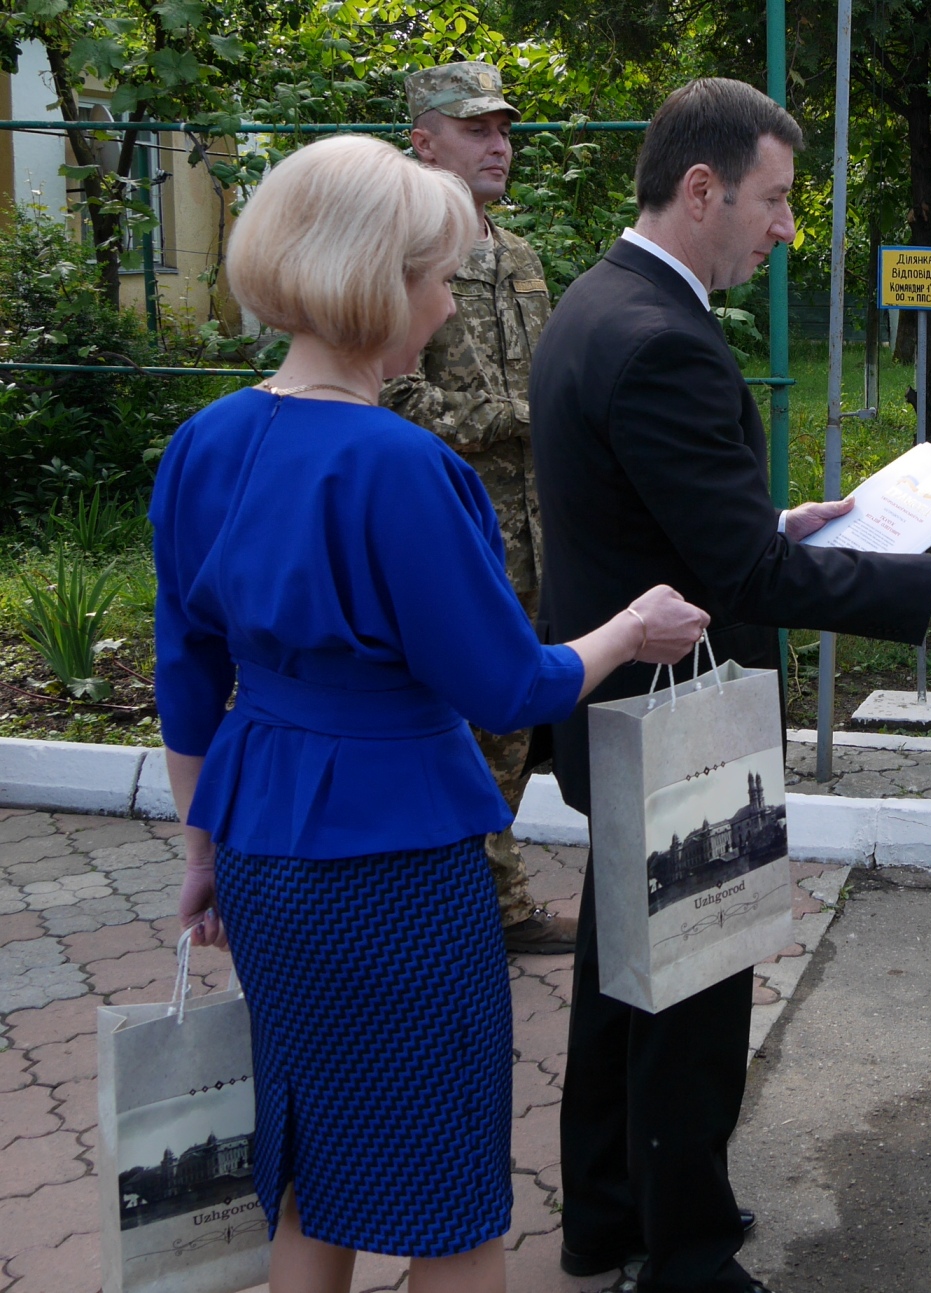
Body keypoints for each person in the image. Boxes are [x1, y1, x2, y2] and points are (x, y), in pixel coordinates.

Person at [155, 134, 710, 1293]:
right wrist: (628, 630)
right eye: (438, 276)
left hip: (261, 842)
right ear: (380, 280)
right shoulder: (402, 465)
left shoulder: (204, 444)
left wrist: (202, 849)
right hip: (394, 857)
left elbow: (189, 674)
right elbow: (509, 685)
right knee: (451, 1195)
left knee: (315, 1151)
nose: (451, 301)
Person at [529, 78, 931, 1293]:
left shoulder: (597, 307)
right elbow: (745, 578)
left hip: (621, 714)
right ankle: (688, 1258)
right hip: (676, 720)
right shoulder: (663, 339)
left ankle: (607, 1213)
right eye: (773, 200)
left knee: (621, 974)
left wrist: (771, 519)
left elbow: (661, 525)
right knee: (693, 994)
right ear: (699, 189)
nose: (783, 228)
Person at [379, 60, 571, 955]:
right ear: (422, 139)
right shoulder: (391, 249)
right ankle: (462, 905)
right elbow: (388, 394)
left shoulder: (517, 251)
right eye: (475, 129)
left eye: (503, 129)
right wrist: (521, 419)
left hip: (532, 530)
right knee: (454, 721)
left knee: (517, 726)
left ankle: (492, 898)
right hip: (449, 527)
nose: (498, 144)